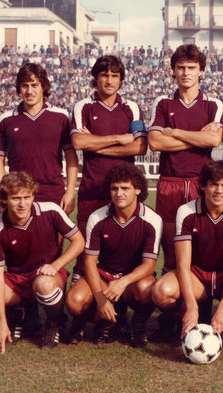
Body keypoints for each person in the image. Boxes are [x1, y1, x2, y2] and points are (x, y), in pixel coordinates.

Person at [150, 160, 223, 353]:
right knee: (161, 291)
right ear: (203, 186)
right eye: (213, 184)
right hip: (197, 276)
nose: (219, 190)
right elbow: (182, 264)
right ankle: (180, 321)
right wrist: (191, 306)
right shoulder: (187, 211)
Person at [0, 171, 84, 352]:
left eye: (27, 197)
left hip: (48, 275)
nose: (22, 204)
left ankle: (54, 323)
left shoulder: (51, 210)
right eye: (16, 198)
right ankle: (19, 318)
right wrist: (1, 322)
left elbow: (79, 241)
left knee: (44, 285)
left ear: (33, 196)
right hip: (17, 281)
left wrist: (56, 265)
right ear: (4, 199)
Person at [66, 164, 162, 348]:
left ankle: (138, 327)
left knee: (148, 289)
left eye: (125, 188)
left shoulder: (152, 219)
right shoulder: (97, 217)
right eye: (114, 188)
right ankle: (100, 322)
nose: (119, 193)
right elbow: (89, 262)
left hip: (133, 279)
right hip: (105, 275)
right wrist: (100, 298)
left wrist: (123, 281)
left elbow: (149, 265)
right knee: (74, 300)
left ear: (138, 190)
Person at [147, 44, 223, 272]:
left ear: (201, 71)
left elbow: (214, 140)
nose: (186, 72)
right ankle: (170, 290)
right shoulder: (163, 103)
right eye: (181, 67)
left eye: (191, 67)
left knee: (202, 247)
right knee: (170, 250)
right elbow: (155, 142)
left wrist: (175, 132)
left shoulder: (213, 104)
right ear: (173, 71)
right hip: (170, 182)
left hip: (201, 183)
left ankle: (201, 290)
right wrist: (199, 137)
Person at [71, 55, 147, 281]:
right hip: (92, 188)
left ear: (121, 79)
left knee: (125, 249)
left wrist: (96, 145)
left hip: (124, 191)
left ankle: (123, 292)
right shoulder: (83, 106)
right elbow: (78, 142)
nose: (109, 80)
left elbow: (140, 147)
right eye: (104, 75)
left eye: (115, 75)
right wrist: (119, 139)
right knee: (85, 250)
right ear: (95, 78)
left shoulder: (132, 108)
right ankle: (79, 292)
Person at [0, 63, 78, 213]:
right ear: (19, 88)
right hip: (18, 194)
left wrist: (70, 192)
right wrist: (3, 196)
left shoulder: (62, 117)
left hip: (53, 194)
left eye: (34, 85)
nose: (29, 91)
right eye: (24, 86)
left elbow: (71, 157)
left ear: (44, 86)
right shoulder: (6, 120)